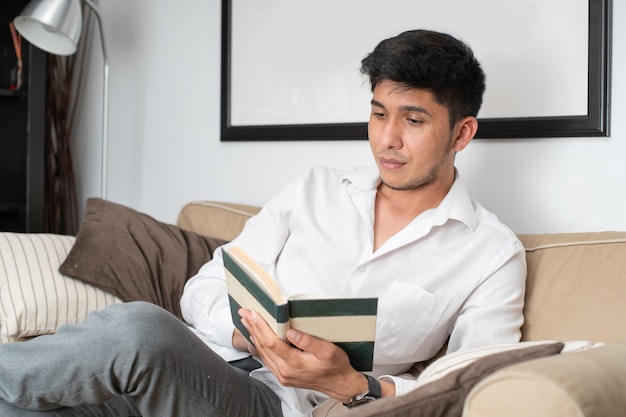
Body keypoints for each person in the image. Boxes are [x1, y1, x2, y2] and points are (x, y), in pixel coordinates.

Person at [0, 29, 526, 417]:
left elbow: (473, 385)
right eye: (377, 113)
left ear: (461, 134)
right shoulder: (315, 188)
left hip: (271, 405)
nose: (387, 138)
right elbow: (202, 289)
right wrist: (252, 338)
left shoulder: (490, 252)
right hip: (189, 370)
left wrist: (353, 383)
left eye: (412, 120)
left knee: (140, 326)